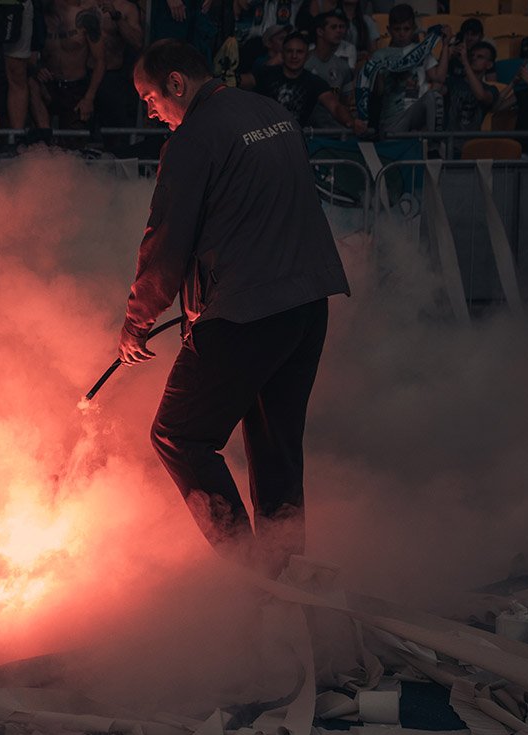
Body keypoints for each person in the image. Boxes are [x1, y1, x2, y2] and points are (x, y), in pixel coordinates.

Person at [118, 39, 349, 577]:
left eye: (150, 98)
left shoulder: (194, 138)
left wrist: (137, 322)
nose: (150, 112)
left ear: (176, 83)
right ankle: (286, 574)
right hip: (307, 302)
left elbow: (166, 241)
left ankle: (249, 576)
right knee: (276, 445)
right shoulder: (271, 112)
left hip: (246, 311)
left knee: (179, 435)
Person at [255, 31, 364, 132]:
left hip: (294, 139)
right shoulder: (266, 73)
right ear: (282, 54)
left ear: (307, 56)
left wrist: (351, 122)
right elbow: (247, 81)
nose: (294, 56)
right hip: (263, 135)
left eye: (299, 52)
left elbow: (335, 107)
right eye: (289, 51)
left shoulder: (314, 82)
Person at [363, 4, 449, 133]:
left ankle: (434, 143)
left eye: (406, 29)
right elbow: (378, 92)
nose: (402, 34)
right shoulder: (380, 55)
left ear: (413, 29)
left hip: (416, 111)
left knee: (434, 96)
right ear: (389, 30)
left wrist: (446, 45)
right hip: (392, 118)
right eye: (397, 29)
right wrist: (375, 71)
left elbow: (439, 78)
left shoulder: (421, 50)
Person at [29, 0, 104, 128]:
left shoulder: (85, 17)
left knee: (73, 134)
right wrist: (38, 69)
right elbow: (30, 58)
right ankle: (44, 132)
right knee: (31, 84)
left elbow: (100, 61)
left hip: (76, 87)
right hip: (49, 86)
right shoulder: (39, 20)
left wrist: (89, 98)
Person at [304, 10, 356, 130]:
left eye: (341, 27)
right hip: (308, 131)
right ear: (320, 31)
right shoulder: (304, 62)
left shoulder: (343, 66)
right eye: (333, 27)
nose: (339, 31)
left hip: (336, 131)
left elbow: (346, 102)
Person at [444, 41, 497, 155]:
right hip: (448, 146)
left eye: (480, 57)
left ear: (489, 65)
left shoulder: (491, 89)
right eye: (472, 55)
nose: (474, 58)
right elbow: (435, 85)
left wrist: (465, 63)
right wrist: (447, 54)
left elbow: (481, 96)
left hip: (472, 148)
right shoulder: (453, 82)